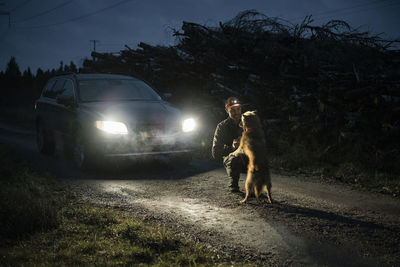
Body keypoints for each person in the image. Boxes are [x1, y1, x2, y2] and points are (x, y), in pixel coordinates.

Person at [212, 97, 247, 192]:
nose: (236, 113)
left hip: (248, 154)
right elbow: (216, 153)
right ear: (227, 110)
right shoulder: (222, 127)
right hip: (232, 157)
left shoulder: (248, 122)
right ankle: (234, 184)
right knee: (234, 158)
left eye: (238, 109)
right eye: (232, 110)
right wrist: (232, 148)